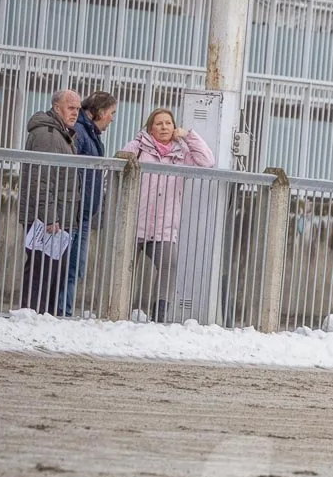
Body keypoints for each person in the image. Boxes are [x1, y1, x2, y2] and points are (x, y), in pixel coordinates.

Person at [119, 108, 215, 323]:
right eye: (159, 123)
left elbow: (207, 161)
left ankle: (159, 315)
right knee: (125, 266)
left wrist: (189, 135)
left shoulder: (181, 155)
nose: (164, 127)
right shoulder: (138, 147)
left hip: (164, 226)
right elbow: (118, 165)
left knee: (168, 265)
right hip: (135, 222)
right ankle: (118, 309)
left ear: (174, 128)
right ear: (150, 128)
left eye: (168, 124)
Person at [57, 91, 118, 317]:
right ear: (100, 112)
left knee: (75, 268)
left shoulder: (89, 133)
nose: (112, 118)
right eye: (111, 113)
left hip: (81, 214)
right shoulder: (81, 133)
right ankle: (62, 311)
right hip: (74, 213)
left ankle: (64, 310)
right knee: (70, 268)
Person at [19, 90, 80, 314]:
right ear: (56, 108)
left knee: (52, 272)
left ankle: (41, 316)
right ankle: (34, 316)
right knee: (42, 272)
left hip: (55, 217)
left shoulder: (60, 134)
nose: (75, 112)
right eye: (71, 107)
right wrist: (50, 216)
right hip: (47, 220)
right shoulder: (49, 135)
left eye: (78, 108)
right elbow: (41, 179)